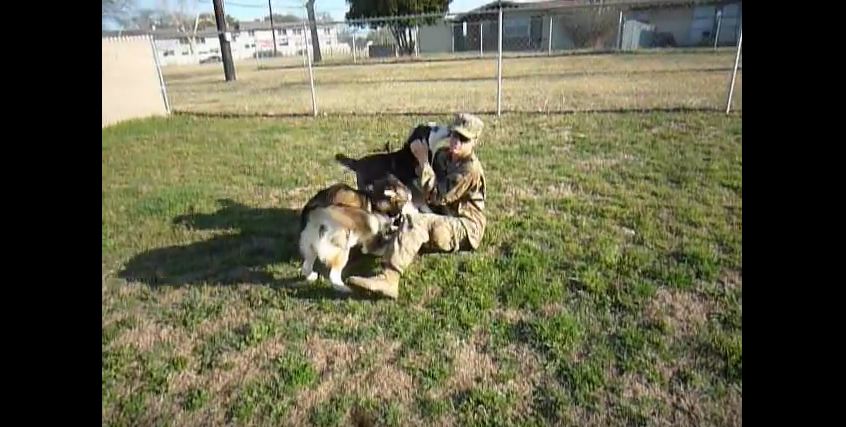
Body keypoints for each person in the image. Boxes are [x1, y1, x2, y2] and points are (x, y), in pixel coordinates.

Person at [347, 113, 487, 299]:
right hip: (443, 214)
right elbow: (422, 182)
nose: (456, 141)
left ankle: (389, 278)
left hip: (465, 226)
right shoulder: (444, 156)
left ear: (474, 141)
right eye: (454, 135)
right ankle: (363, 246)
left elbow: (437, 196)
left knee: (417, 222)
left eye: (464, 139)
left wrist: (423, 160)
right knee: (402, 212)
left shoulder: (469, 169)